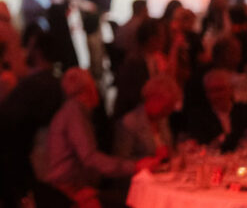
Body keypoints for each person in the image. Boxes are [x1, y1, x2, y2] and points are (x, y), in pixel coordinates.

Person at [40, 68, 159, 208]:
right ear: (88, 89)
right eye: (94, 85)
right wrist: (135, 166)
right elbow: (89, 158)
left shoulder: (73, 111)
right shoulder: (74, 112)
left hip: (72, 186)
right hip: (68, 190)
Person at [113, 74, 180, 159]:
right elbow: (121, 161)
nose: (169, 111)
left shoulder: (162, 119)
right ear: (154, 98)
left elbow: (169, 147)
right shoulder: (129, 123)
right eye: (167, 106)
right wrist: (154, 158)